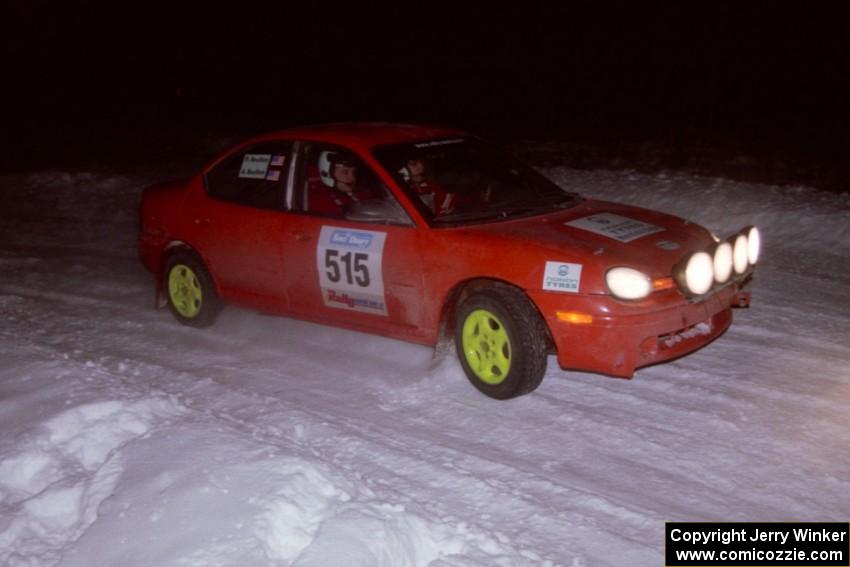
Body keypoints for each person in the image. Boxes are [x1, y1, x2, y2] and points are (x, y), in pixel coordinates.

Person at [310, 151, 379, 216]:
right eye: (345, 172)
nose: (351, 178)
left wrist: (353, 197)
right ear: (327, 173)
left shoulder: (361, 193)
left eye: (354, 173)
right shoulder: (319, 199)